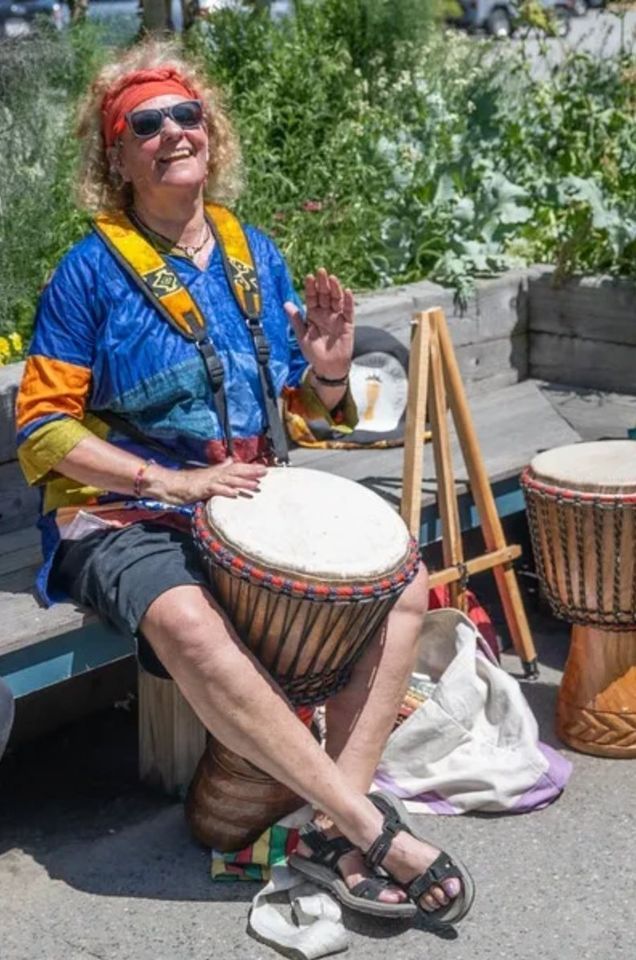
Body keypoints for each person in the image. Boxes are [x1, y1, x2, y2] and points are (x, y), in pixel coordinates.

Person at [15, 42, 473, 924]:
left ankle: (334, 823)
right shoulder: (87, 272)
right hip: (121, 511)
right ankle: (369, 830)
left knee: (405, 583)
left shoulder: (250, 251)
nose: (172, 132)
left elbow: (300, 410)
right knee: (187, 619)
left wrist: (329, 372)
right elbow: (44, 429)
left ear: (210, 133)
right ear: (117, 158)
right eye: (144, 123)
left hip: (240, 495)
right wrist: (168, 481)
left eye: (185, 115)